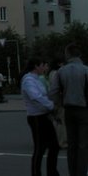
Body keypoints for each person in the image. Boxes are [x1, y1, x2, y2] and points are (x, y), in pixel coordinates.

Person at [49, 42, 88, 176]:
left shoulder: (61, 71)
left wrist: (58, 106)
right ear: (79, 55)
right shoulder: (85, 70)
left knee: (71, 144)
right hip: (84, 110)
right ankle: (81, 173)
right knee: (83, 145)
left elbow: (53, 92)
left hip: (68, 110)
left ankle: (73, 172)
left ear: (67, 55)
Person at [22, 57, 59, 176]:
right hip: (36, 117)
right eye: (43, 65)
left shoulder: (37, 79)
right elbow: (36, 96)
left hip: (44, 116)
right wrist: (51, 105)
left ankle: (52, 172)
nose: (45, 68)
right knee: (40, 148)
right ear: (36, 66)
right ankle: (36, 173)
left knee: (54, 145)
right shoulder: (28, 80)